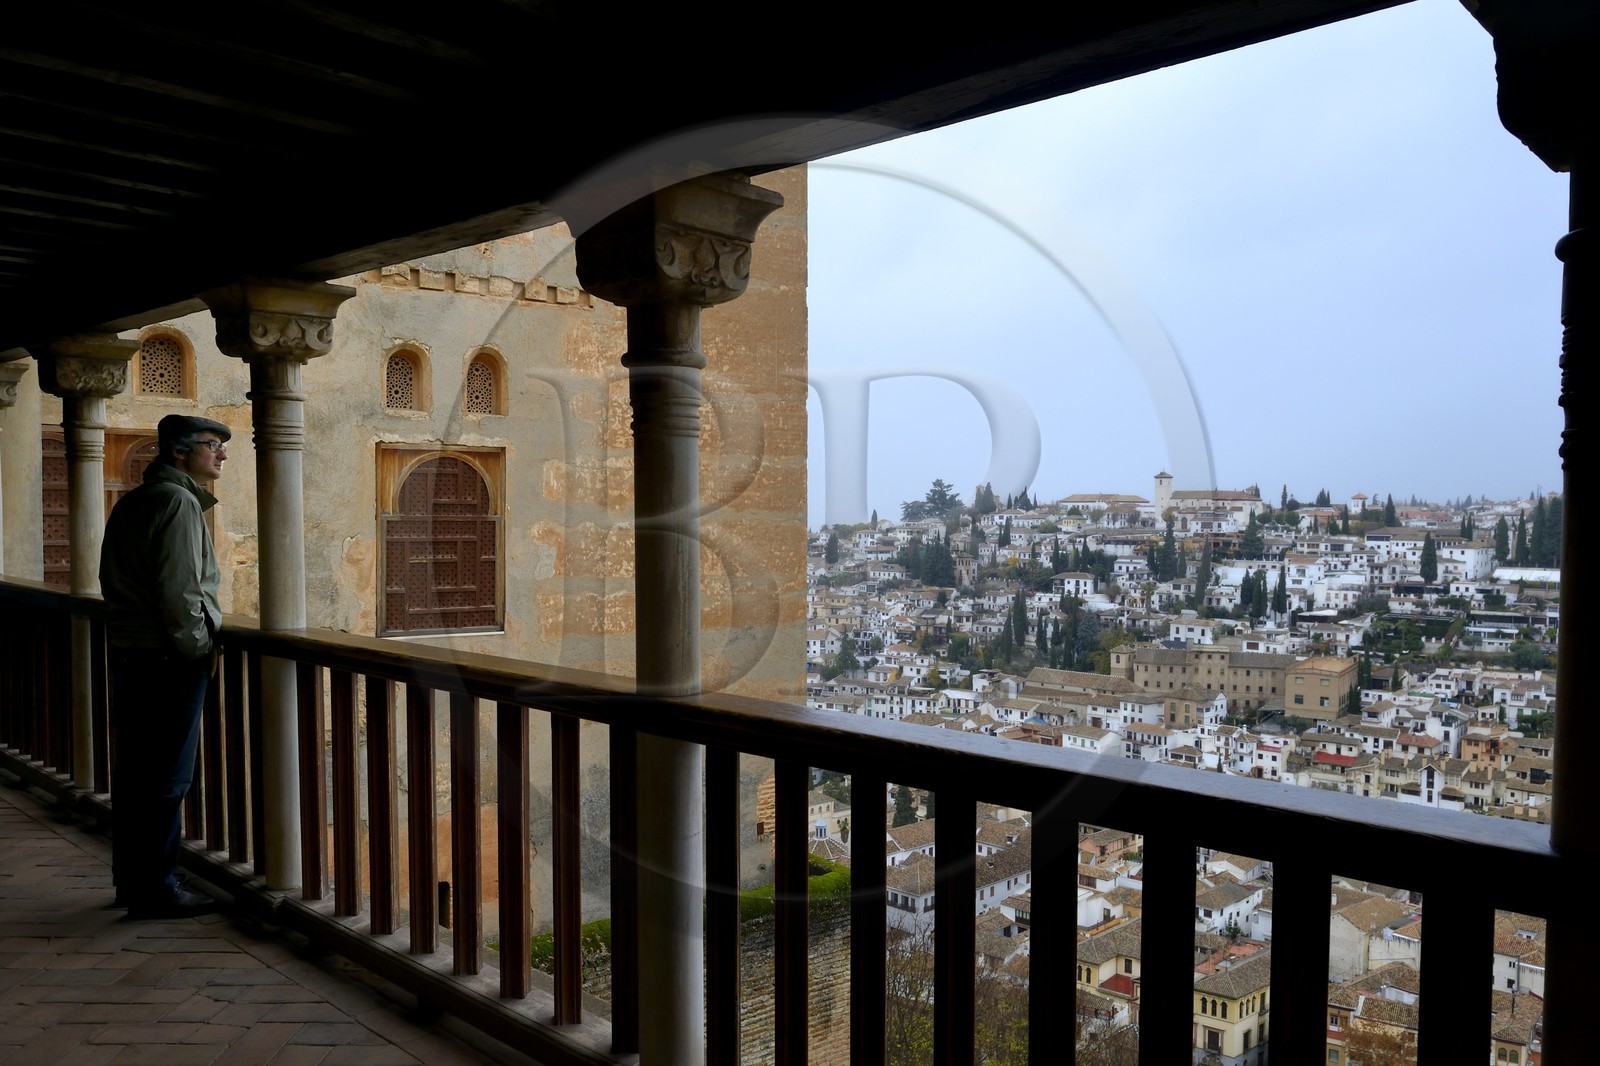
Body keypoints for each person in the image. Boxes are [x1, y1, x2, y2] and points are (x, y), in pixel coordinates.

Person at [99, 413, 230, 919]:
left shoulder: (136, 500)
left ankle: (132, 883)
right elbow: (180, 592)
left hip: (133, 651)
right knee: (167, 779)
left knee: (137, 774)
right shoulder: (177, 502)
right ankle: (156, 889)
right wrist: (197, 649)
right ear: (179, 452)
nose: (219, 454)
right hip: (167, 657)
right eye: (210, 445)